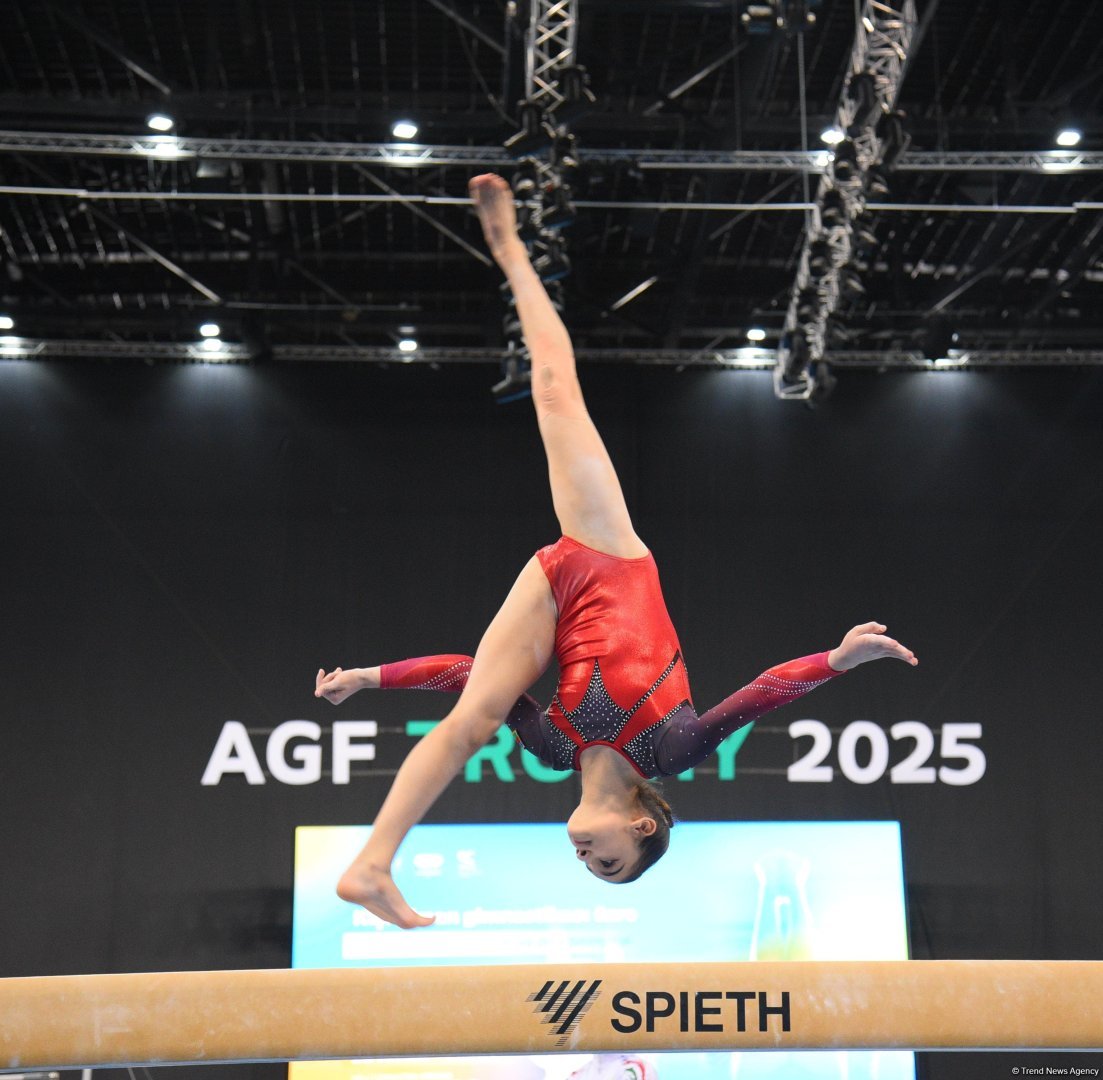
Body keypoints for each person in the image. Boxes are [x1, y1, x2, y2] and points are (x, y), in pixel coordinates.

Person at [315, 173, 917, 930]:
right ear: (641, 828)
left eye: (587, 867)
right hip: (607, 556)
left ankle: (372, 863)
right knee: (556, 395)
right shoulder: (672, 749)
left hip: (552, 588)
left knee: (473, 717)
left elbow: (465, 673)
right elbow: (759, 693)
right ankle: (511, 254)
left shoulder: (553, 751)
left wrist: (370, 677)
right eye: (605, 862)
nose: (584, 856)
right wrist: (837, 661)